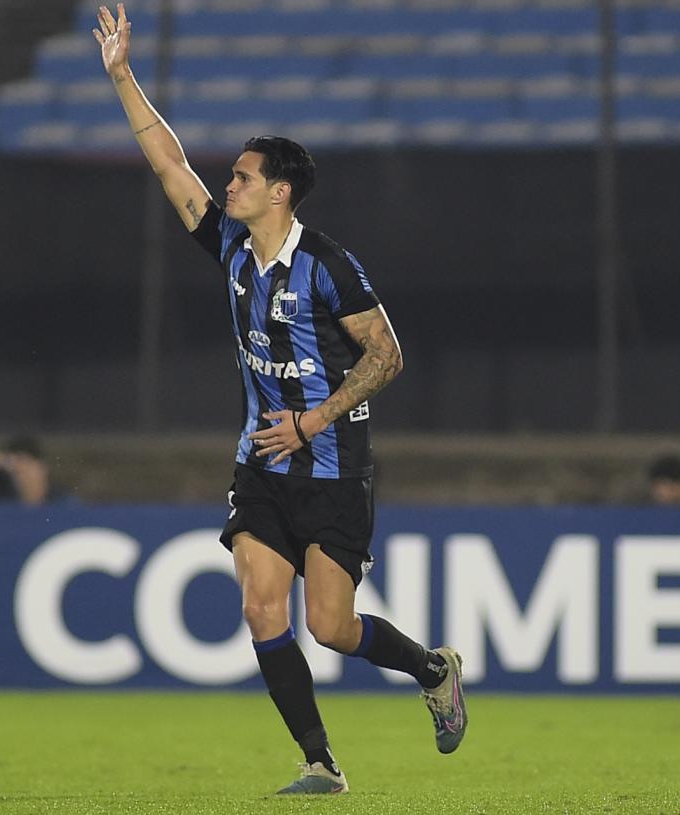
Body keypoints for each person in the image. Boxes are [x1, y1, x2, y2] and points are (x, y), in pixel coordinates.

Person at [94, 4, 466, 795]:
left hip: (332, 461)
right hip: (262, 458)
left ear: (281, 192)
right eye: (229, 175)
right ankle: (319, 760)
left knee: (331, 628)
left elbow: (386, 354)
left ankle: (432, 668)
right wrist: (123, 77)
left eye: (242, 177)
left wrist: (313, 419)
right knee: (262, 606)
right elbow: (169, 166)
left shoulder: (329, 265)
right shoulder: (230, 243)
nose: (226, 183)